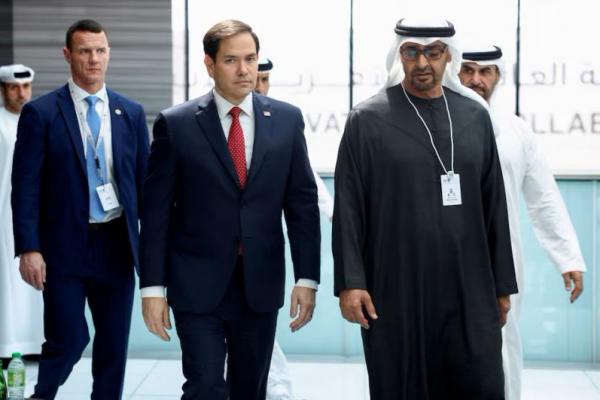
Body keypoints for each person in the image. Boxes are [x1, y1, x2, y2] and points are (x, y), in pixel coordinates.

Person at [332, 17, 518, 399]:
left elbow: (494, 207)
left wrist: (502, 286)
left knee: (479, 381)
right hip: (395, 285)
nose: (422, 63)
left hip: (469, 286)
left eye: (433, 52)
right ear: (399, 53)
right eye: (412, 52)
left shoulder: (475, 117)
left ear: (448, 55)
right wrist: (352, 282)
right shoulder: (367, 120)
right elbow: (349, 208)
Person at [139, 19, 321, 400]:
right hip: (196, 282)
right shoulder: (177, 125)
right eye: (231, 60)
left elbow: (302, 204)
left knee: (250, 388)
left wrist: (307, 279)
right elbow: (155, 214)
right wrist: (152, 288)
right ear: (210, 64)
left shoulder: (287, 121)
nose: (244, 70)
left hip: (260, 281)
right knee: (205, 386)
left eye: (251, 59)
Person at [11, 19, 149, 399]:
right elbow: (24, 187)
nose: (94, 59)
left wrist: (153, 248)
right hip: (63, 249)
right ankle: (43, 395)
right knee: (68, 338)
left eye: (100, 50)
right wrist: (29, 247)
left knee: (113, 345)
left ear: (109, 53)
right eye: (85, 51)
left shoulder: (130, 113)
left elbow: (143, 186)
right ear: (68, 55)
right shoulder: (41, 113)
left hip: (117, 245)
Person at [459, 44, 585, 400]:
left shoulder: (516, 131)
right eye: (467, 70)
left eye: (486, 72)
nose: (476, 80)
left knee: (503, 344)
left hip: (502, 260)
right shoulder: (435, 125)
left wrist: (568, 257)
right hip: (443, 257)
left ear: (499, 76)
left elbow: (543, 196)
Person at [255, 56, 333, 400]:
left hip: (261, 265)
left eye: (264, 80)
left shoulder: (280, 127)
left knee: (259, 349)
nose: (258, 86)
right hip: (210, 267)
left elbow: (311, 194)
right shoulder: (205, 124)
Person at [0, 64, 44, 365]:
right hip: (2, 215)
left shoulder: (39, 120)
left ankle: (35, 343)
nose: (21, 93)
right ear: (3, 89)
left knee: (34, 283)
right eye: (14, 88)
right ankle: (6, 345)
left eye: (26, 87)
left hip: (34, 215)